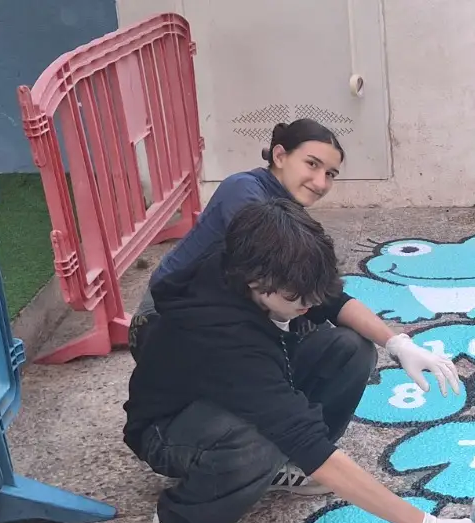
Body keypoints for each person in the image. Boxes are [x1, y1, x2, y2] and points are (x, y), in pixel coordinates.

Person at [123, 198, 475, 523]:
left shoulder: (267, 263)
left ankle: (277, 469)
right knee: (258, 443)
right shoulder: (222, 333)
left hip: (235, 391)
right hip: (169, 428)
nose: (309, 305)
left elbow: (334, 301)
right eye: (296, 298)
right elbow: (305, 440)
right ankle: (179, 520)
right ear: (255, 283)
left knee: (350, 349)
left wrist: (398, 343)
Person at [130, 118, 346, 352]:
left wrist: (380, 336)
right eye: (312, 164)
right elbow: (293, 274)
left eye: (330, 174)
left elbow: (319, 286)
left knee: (334, 341)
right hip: (163, 317)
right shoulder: (244, 191)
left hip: (218, 311)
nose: (321, 183)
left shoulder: (288, 206)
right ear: (280, 156)